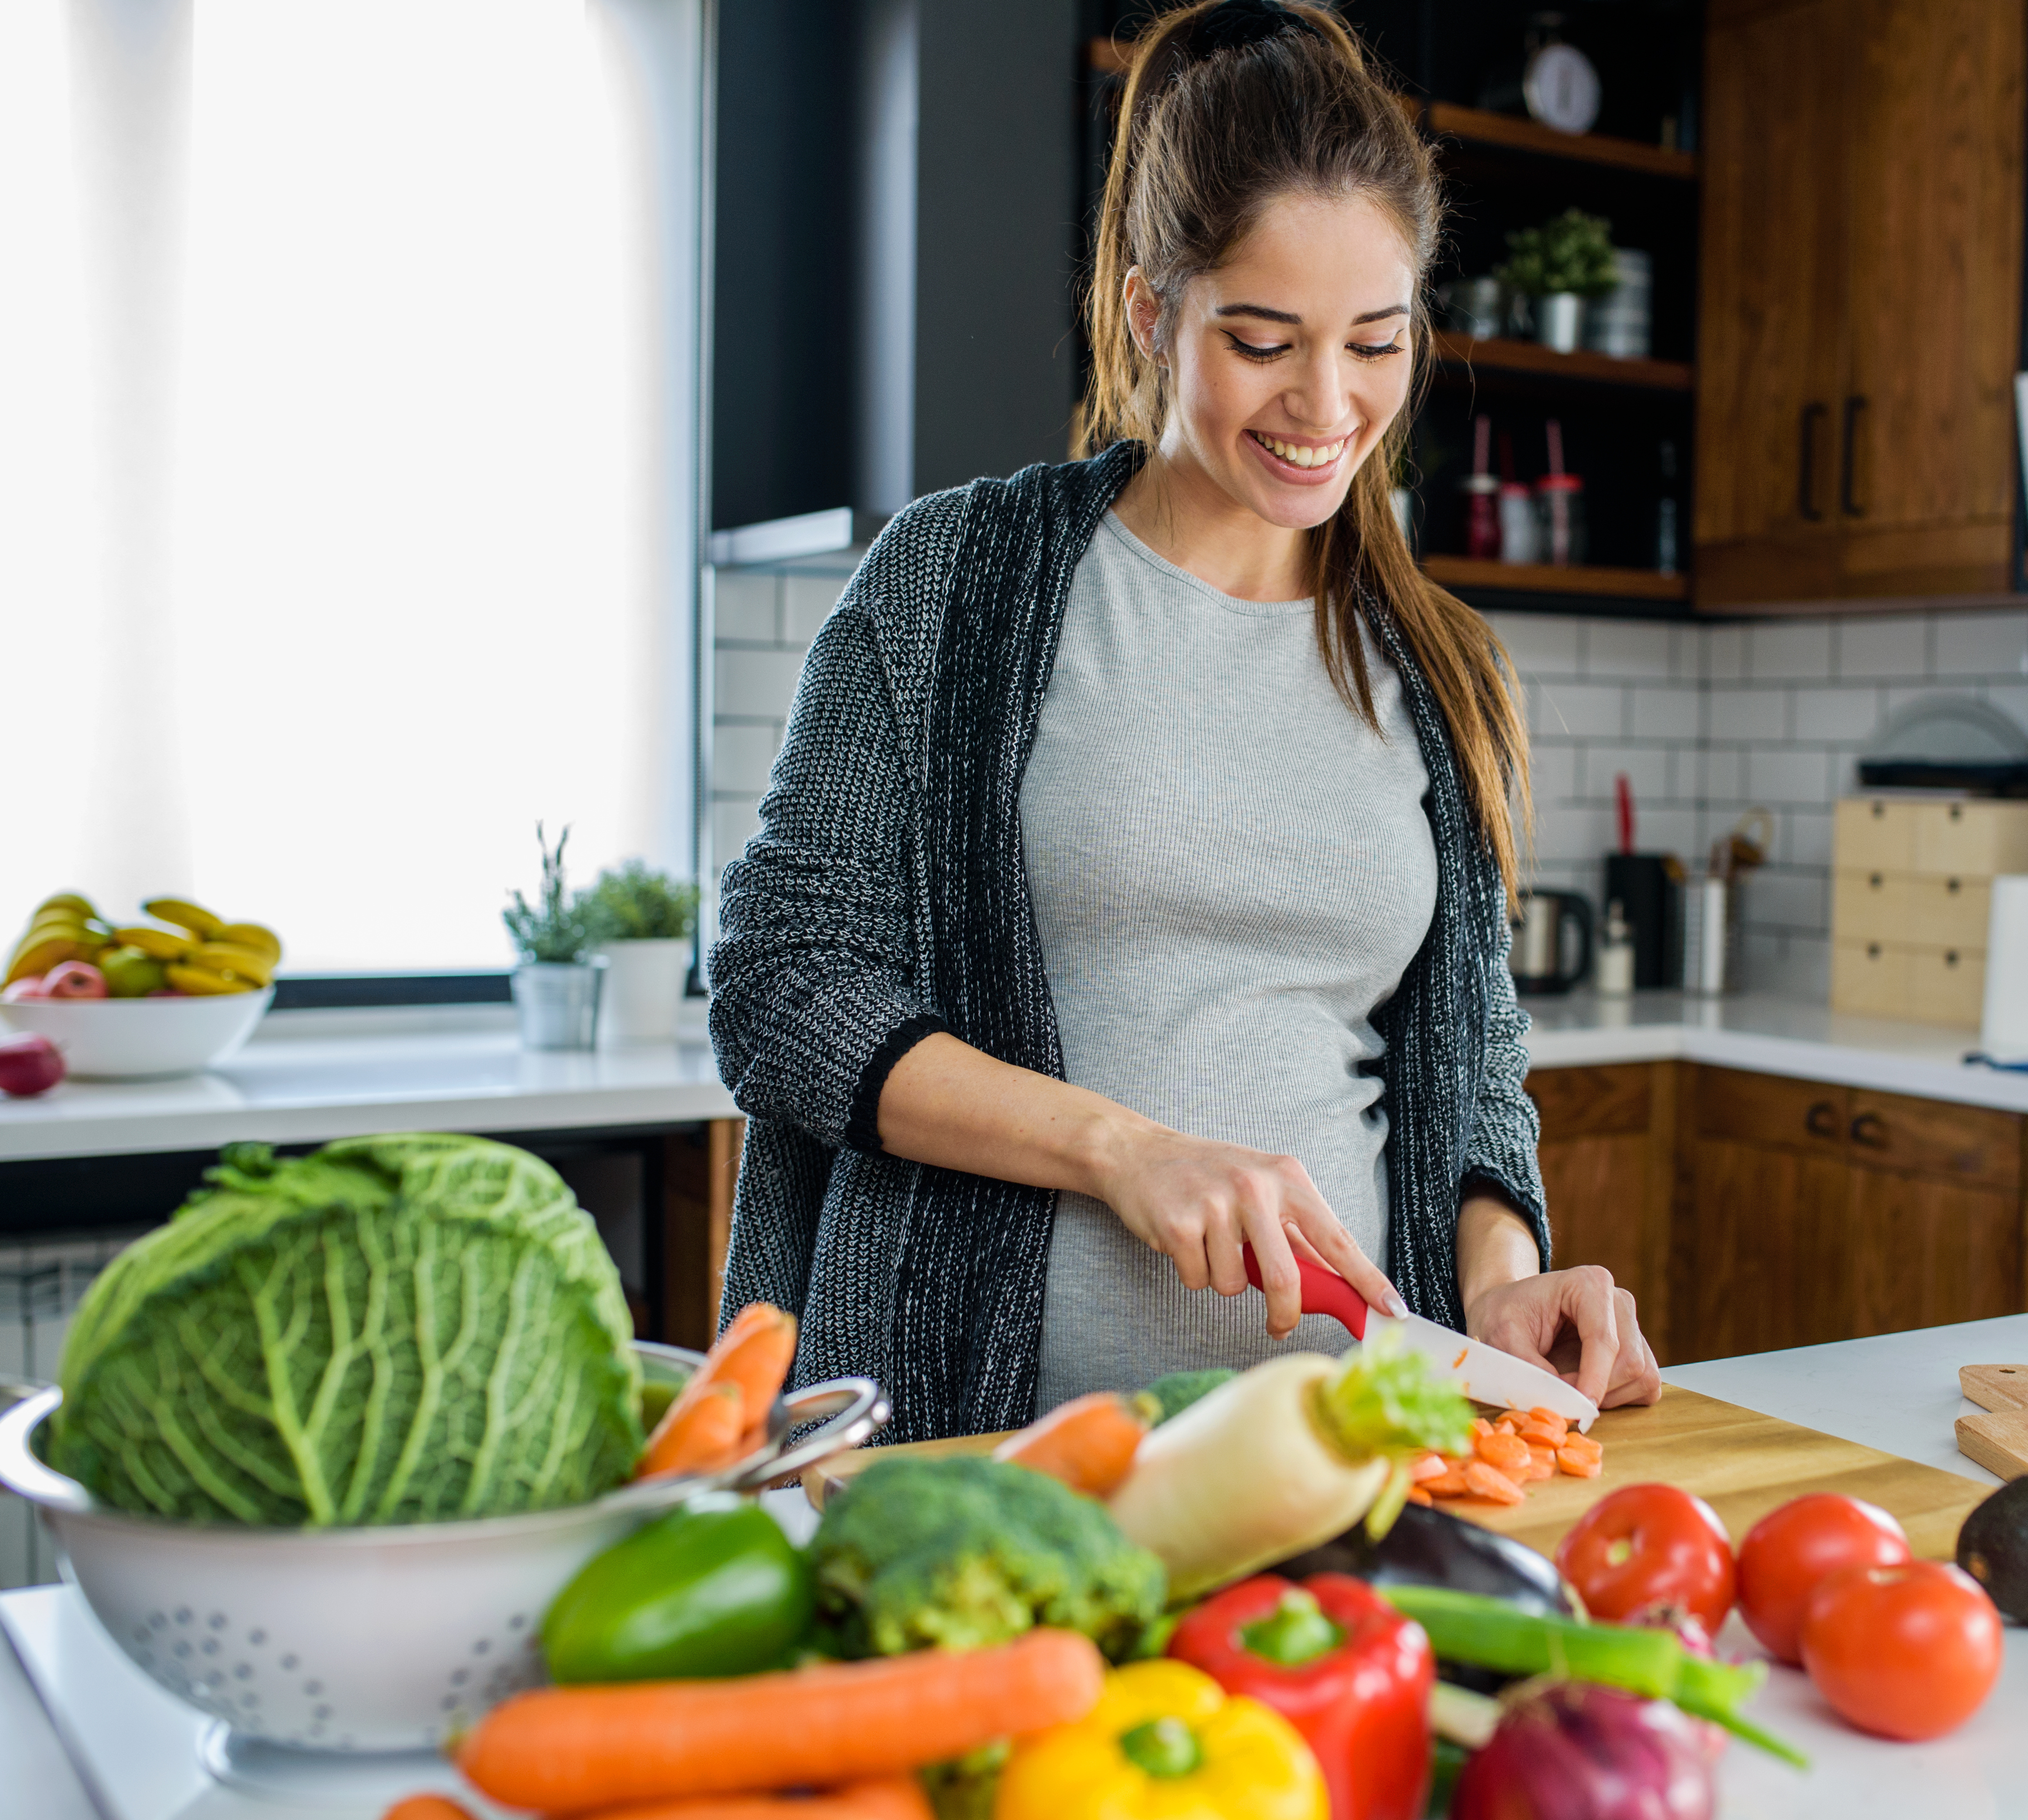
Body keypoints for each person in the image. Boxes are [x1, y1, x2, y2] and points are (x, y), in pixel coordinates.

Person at [708, 0, 1660, 1443]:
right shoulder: (956, 585)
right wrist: (1122, 1153)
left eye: (1375, 343)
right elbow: (781, 989)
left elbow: (1470, 1067)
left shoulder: (1439, 658)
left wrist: (1505, 1281)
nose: (1327, 404)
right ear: (1155, 312)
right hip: (982, 1450)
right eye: (1266, 340)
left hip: (1339, 1461)